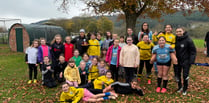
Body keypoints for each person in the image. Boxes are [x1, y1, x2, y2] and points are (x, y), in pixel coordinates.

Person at [175, 28, 196, 95]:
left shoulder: (188, 40)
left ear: (183, 31)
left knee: (185, 75)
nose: (178, 33)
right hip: (177, 61)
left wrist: (191, 61)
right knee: (177, 75)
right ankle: (180, 87)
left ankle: (185, 89)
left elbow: (193, 51)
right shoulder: (175, 39)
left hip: (186, 61)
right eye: (177, 31)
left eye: (180, 31)